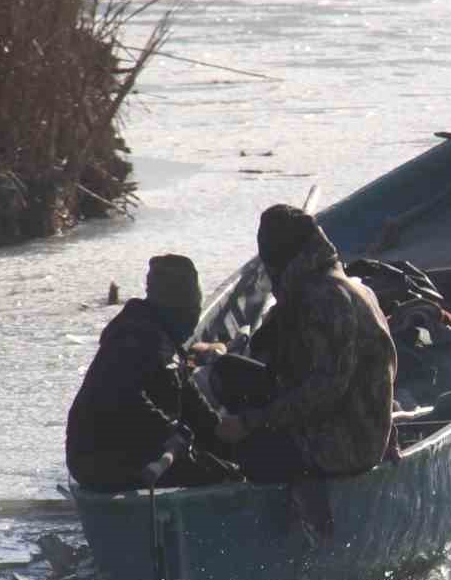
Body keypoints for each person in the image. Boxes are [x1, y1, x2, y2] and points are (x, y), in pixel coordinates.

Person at [215, 204, 397, 480]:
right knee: (228, 371)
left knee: (250, 452)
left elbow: (325, 389)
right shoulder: (345, 285)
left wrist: (250, 422)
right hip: (357, 423)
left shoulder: (325, 299)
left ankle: (295, 496)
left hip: (345, 444)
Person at [65, 254, 241, 491]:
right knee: (225, 479)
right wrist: (169, 432)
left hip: (140, 448)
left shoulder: (168, 343)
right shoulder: (135, 338)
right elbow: (123, 397)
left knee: (231, 466)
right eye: (190, 306)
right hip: (102, 458)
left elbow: (191, 402)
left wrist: (222, 433)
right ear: (172, 303)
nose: (194, 315)